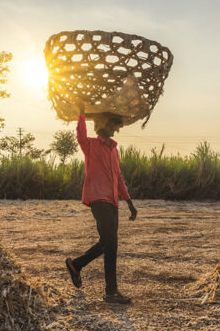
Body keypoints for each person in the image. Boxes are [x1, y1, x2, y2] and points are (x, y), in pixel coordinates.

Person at [65, 111, 137, 304]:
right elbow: (80, 135)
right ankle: (111, 291)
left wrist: (129, 202)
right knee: (110, 243)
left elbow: (119, 177)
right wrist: (80, 113)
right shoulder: (91, 145)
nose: (117, 128)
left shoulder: (114, 149)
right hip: (98, 199)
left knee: (108, 243)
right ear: (104, 124)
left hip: (113, 201)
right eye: (114, 124)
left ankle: (77, 265)